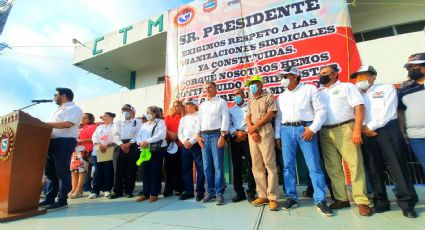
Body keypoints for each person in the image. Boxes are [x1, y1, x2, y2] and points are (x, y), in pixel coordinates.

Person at [351, 65, 418, 218]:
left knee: (397, 167)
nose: (359, 79)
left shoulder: (386, 88)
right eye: (357, 77)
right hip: (366, 133)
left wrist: (370, 127)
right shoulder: (357, 93)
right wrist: (362, 128)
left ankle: (407, 204)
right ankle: (381, 202)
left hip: (387, 131)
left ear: (373, 76)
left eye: (362, 76)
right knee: (373, 168)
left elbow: (388, 111)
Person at [275, 67, 333, 216]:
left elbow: (320, 110)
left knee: (313, 165)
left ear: (295, 76)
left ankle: (320, 200)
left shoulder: (309, 89)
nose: (283, 79)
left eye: (285, 76)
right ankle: (291, 197)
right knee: (287, 166)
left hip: (305, 129)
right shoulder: (281, 96)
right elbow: (279, 118)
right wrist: (277, 136)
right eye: (282, 76)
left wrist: (312, 128)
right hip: (286, 131)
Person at [318, 65, 372, 216]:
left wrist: (357, 129)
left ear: (334, 74)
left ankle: (362, 201)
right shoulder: (320, 92)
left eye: (325, 73)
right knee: (333, 167)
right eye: (320, 74)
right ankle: (341, 198)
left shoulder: (346, 87)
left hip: (345, 128)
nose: (322, 76)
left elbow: (359, 107)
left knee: (354, 164)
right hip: (325, 131)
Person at [40, 87, 83, 211]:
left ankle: (62, 200)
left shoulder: (74, 108)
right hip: (51, 141)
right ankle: (49, 198)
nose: (54, 97)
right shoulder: (56, 110)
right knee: (50, 173)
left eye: (56, 95)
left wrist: (44, 124)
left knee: (61, 172)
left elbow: (67, 124)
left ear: (63, 95)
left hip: (64, 141)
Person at [245, 76, 279, 211]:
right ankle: (262, 195)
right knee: (256, 165)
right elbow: (247, 116)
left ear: (260, 84)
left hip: (265, 130)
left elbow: (270, 114)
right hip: (253, 133)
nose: (252, 86)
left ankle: (272, 197)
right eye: (250, 84)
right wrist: (251, 130)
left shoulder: (269, 96)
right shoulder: (250, 99)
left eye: (254, 83)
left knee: (270, 164)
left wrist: (256, 126)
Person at [196, 82, 230, 205]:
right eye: (205, 88)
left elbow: (225, 118)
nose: (207, 90)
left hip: (216, 135)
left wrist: (222, 136)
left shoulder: (221, 102)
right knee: (206, 166)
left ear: (216, 89)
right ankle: (210, 192)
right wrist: (197, 135)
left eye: (210, 87)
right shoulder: (203, 105)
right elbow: (199, 121)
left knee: (218, 166)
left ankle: (219, 192)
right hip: (204, 136)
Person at [399, 53, 425, 175]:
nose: (410, 70)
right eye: (409, 67)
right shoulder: (404, 90)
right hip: (416, 137)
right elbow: (400, 112)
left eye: (414, 66)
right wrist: (402, 132)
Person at [229, 88, 256, 203]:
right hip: (236, 138)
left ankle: (251, 191)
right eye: (234, 95)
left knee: (252, 164)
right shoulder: (230, 110)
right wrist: (236, 132)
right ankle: (239, 192)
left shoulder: (250, 106)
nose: (236, 96)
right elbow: (228, 124)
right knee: (236, 165)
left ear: (243, 95)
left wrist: (245, 133)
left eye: (238, 94)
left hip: (248, 136)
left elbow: (254, 121)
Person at [136, 106, 167, 202]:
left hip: (157, 150)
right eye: (147, 112)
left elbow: (161, 135)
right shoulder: (144, 124)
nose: (148, 114)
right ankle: (145, 193)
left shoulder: (160, 122)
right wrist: (140, 142)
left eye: (150, 112)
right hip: (145, 149)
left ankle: (154, 193)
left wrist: (147, 141)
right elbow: (138, 136)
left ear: (155, 113)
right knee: (145, 171)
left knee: (155, 171)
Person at [110, 104, 142, 199]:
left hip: (133, 145)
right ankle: (117, 191)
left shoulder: (137, 121)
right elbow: (115, 135)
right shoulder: (118, 122)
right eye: (124, 110)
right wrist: (121, 144)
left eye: (128, 110)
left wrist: (129, 144)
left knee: (131, 169)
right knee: (118, 169)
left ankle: (129, 190)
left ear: (133, 112)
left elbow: (138, 134)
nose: (126, 112)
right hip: (120, 145)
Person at [178, 98, 205, 201]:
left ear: (195, 105)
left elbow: (201, 130)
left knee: (200, 168)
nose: (187, 106)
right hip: (185, 145)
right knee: (186, 169)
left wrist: (191, 141)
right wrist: (185, 141)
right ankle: (189, 191)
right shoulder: (183, 118)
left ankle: (200, 192)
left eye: (189, 104)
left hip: (197, 144)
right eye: (186, 105)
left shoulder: (200, 116)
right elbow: (179, 132)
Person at [69, 113, 97, 199]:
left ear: (90, 119)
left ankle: (79, 189)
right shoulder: (79, 127)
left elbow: (95, 139)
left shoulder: (94, 127)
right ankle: (74, 189)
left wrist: (83, 141)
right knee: (74, 171)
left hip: (85, 151)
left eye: (85, 118)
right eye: (82, 118)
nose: (82, 119)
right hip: (75, 151)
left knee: (82, 171)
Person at [89, 112, 116, 199]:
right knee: (97, 172)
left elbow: (116, 137)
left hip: (109, 151)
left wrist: (107, 145)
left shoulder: (115, 126)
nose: (103, 117)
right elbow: (94, 137)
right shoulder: (99, 127)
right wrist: (99, 145)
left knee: (108, 171)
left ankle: (107, 189)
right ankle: (95, 191)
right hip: (98, 151)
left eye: (105, 116)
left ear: (111, 117)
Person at [163, 100, 185, 197]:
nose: (176, 108)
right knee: (168, 168)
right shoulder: (167, 118)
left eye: (178, 106)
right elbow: (163, 130)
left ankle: (178, 188)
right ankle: (168, 189)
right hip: (169, 145)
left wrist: (176, 136)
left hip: (180, 145)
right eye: (174, 106)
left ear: (181, 107)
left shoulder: (184, 118)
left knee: (178, 168)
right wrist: (169, 133)